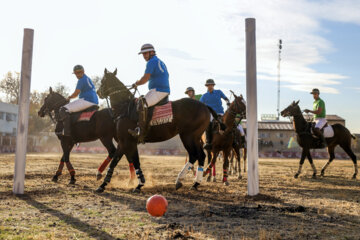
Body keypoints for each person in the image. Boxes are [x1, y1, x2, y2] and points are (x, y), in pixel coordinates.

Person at [128, 44, 170, 142]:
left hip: (159, 90)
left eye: (146, 53)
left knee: (141, 104)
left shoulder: (152, 62)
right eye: (143, 54)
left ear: (152, 52)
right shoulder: (159, 61)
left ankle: (140, 131)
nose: (144, 56)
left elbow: (145, 78)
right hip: (159, 89)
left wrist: (136, 84)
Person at [58, 65, 98, 136]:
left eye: (79, 73)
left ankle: (67, 133)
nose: (77, 75)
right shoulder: (87, 78)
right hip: (94, 101)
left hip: (86, 100)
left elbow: (76, 93)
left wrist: (69, 98)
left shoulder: (81, 80)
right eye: (76, 73)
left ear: (83, 72)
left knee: (62, 109)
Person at [200, 79, 230, 149]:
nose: (210, 86)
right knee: (209, 123)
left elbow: (226, 98)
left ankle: (233, 140)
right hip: (210, 113)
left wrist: (227, 102)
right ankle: (208, 141)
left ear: (213, 85)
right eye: (208, 85)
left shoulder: (218, 92)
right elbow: (200, 104)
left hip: (220, 112)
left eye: (211, 85)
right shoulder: (204, 96)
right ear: (206, 86)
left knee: (228, 123)